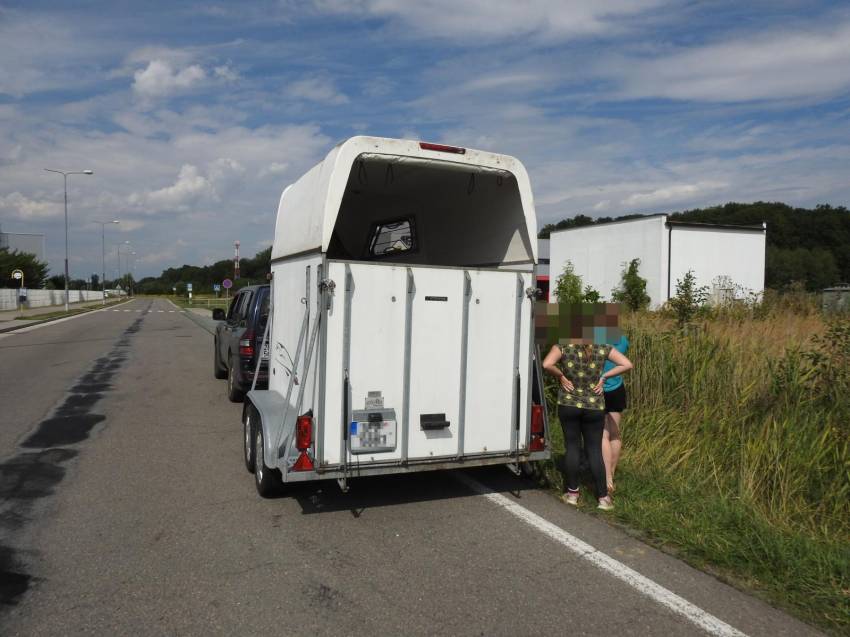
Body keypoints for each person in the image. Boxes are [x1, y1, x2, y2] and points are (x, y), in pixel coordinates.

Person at [543, 341, 633, 510]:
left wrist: (561, 376)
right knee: (594, 450)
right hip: (594, 406)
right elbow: (627, 364)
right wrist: (605, 377)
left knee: (572, 447)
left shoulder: (562, 346)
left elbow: (546, 363)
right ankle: (603, 498)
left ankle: (572, 494)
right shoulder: (603, 347)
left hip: (569, 404)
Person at [602, 335, 629, 494]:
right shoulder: (623, 340)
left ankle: (607, 479)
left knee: (603, 435)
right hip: (617, 389)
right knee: (615, 433)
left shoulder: (596, 339)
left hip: (600, 389)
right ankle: (611, 472)